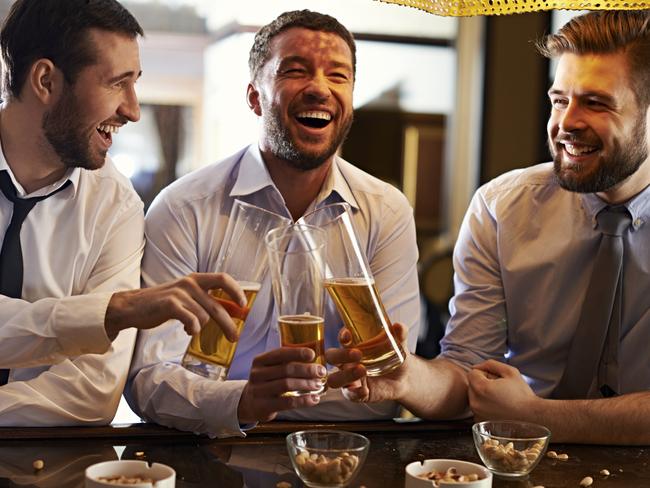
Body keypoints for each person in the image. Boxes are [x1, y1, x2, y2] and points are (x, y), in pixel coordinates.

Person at [327, 10, 650, 445]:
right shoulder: (503, 207)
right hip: (515, 460)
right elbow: (467, 374)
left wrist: (536, 415)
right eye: (559, 100)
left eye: (595, 103)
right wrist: (407, 378)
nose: (566, 123)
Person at [126, 9, 421, 438]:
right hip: (210, 451)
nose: (320, 88)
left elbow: (389, 383)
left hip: (348, 451)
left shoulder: (386, 211)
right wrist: (242, 401)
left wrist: (216, 395)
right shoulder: (185, 207)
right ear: (253, 97)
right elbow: (148, 377)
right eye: (296, 71)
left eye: (338, 76)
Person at [0, 0, 244, 426]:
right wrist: (105, 314)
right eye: (118, 83)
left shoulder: (117, 207)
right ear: (45, 80)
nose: (132, 110)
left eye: (136, 84)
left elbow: (91, 393)